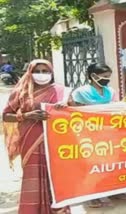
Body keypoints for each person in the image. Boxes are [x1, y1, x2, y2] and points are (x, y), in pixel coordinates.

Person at [2, 59, 71, 214]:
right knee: (33, 177)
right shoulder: (21, 92)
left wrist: (64, 107)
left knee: (56, 176)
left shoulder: (61, 91)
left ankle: (59, 210)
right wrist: (27, 115)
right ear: (30, 73)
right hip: (30, 140)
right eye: (37, 71)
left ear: (51, 73)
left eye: (45, 71)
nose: (41, 75)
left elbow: (73, 114)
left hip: (56, 141)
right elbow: (6, 116)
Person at [68, 63, 126, 208]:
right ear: (93, 76)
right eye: (104, 77)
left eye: (108, 77)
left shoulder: (110, 91)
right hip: (89, 133)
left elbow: (117, 107)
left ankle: (115, 190)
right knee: (93, 164)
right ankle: (93, 194)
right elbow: (73, 110)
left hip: (109, 132)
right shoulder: (80, 92)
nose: (107, 80)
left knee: (113, 162)